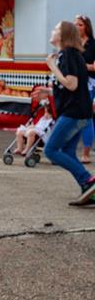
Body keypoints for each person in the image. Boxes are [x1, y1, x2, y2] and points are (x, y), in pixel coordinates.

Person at [44, 20, 95, 205]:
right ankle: (87, 188)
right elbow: (71, 85)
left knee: (51, 150)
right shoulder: (70, 55)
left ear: (64, 35)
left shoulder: (68, 55)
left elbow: (71, 85)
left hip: (74, 113)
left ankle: (88, 180)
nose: (53, 30)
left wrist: (52, 66)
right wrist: (48, 92)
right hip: (82, 113)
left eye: (56, 28)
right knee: (68, 151)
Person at [75, 15, 95, 163]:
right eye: (75, 24)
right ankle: (69, 148)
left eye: (80, 25)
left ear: (86, 27)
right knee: (76, 117)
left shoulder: (93, 45)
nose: (77, 27)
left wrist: (81, 66)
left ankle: (86, 152)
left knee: (86, 118)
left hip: (89, 84)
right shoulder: (73, 43)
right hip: (74, 83)